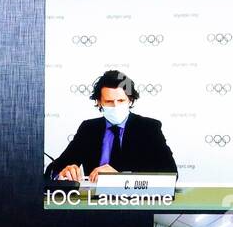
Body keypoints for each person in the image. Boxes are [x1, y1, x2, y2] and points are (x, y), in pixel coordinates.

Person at [45, 70, 177, 182]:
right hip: (94, 205)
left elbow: (171, 173)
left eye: (121, 100)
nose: (115, 106)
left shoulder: (149, 128)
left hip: (137, 205)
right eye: (108, 101)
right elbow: (52, 171)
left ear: (130, 100)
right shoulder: (88, 129)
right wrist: (63, 172)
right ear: (99, 102)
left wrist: (121, 178)